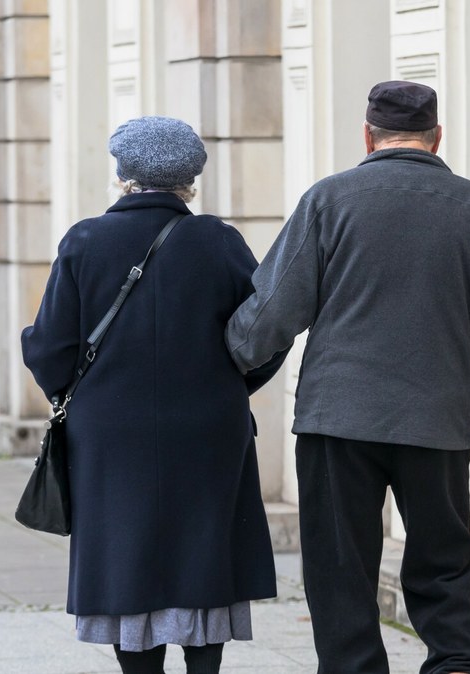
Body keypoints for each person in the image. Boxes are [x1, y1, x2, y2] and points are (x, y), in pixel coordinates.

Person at [225, 81, 470, 674]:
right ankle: (457, 666)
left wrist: (229, 358)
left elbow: (269, 316)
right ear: (436, 136)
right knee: (445, 562)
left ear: (368, 137)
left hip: (336, 420)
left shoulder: (329, 200)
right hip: (438, 421)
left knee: (339, 567)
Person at [21, 116, 285, 674]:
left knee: (126, 555)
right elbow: (267, 332)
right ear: (190, 178)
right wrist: (231, 386)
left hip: (110, 431)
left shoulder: (86, 240)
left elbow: (48, 348)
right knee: (204, 555)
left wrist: (74, 391)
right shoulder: (220, 241)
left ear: (124, 175)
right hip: (209, 426)